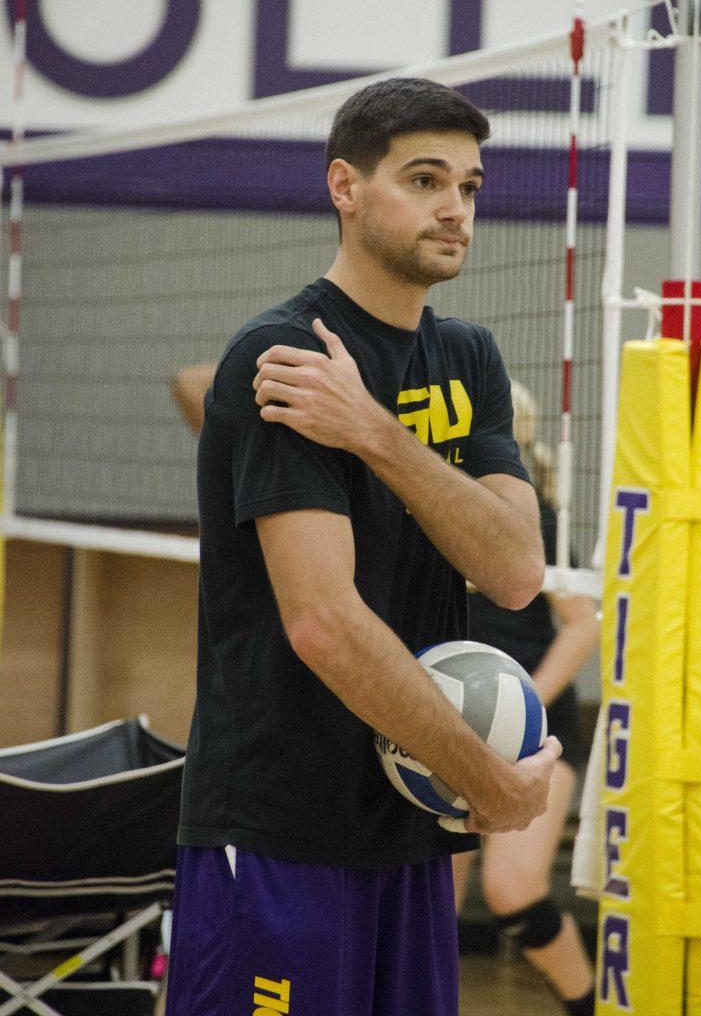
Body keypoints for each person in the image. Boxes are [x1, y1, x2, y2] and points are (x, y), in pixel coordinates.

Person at [165, 77, 562, 1016]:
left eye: (468, 186)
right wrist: (487, 783)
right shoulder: (285, 357)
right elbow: (322, 625)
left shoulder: (467, 357)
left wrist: (378, 435)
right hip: (282, 833)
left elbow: (512, 572)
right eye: (424, 180)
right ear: (344, 186)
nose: (454, 209)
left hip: (408, 832)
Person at [453, 381, 599, 1016]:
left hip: (532, 729)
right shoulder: (430, 514)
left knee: (513, 889)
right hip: (446, 726)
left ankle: (588, 1005)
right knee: (433, 900)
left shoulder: (533, 517)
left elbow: (584, 625)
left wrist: (521, 707)